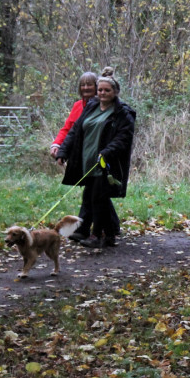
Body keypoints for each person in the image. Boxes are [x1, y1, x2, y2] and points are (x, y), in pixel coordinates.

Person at [55, 70, 136, 249]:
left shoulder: (123, 112)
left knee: (97, 197)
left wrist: (107, 152)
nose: (102, 93)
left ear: (115, 92)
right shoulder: (91, 107)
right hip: (87, 160)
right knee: (92, 196)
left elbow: (124, 137)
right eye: (100, 90)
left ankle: (96, 235)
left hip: (106, 162)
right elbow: (75, 130)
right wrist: (63, 151)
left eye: (107, 90)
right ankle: (110, 235)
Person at [49, 70, 117, 241]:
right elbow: (69, 128)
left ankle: (88, 228)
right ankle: (111, 227)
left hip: (98, 155)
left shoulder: (103, 106)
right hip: (81, 155)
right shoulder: (78, 106)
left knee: (94, 192)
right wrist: (58, 145)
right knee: (94, 192)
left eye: (90, 84)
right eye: (83, 85)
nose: (86, 87)